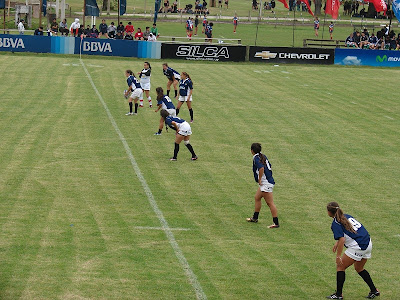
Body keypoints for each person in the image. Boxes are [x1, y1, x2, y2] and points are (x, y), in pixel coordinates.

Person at [326, 202, 380, 299]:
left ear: (329, 212)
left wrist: (338, 256)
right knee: (359, 268)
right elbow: (349, 231)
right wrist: (337, 242)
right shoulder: (346, 216)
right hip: (368, 243)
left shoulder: (335, 223)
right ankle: (374, 290)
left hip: (358, 247)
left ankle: (338, 295)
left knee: (340, 267)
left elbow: (342, 239)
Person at [246, 143, 279, 228]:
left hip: (266, 183)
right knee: (257, 197)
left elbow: (261, 168)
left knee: (270, 203)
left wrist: (260, 179)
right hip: (267, 181)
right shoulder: (262, 156)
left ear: (252, 150)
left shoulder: (256, 158)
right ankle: (255, 218)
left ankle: (276, 223)